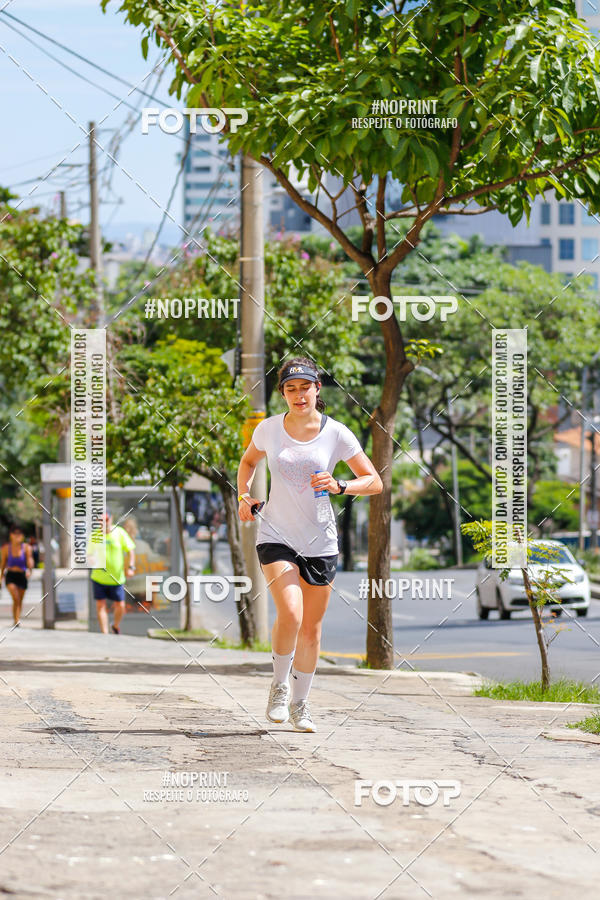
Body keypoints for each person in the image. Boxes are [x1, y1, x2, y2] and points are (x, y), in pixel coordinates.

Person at [237, 357, 383, 732]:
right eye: (290, 389)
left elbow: (374, 481)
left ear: (318, 389)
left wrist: (341, 486)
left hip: (320, 540)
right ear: (283, 393)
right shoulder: (269, 430)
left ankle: (301, 705)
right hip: (276, 534)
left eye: (305, 387)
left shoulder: (337, 434)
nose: (298, 395)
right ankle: (280, 686)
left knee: (312, 630)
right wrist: (243, 496)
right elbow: (248, 462)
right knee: (291, 613)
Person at [89, 509, 136, 635]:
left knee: (120, 605)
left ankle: (115, 626)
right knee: (100, 605)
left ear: (111, 518)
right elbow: (88, 554)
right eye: (100, 521)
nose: (103, 523)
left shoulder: (119, 533)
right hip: (99, 577)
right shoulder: (94, 535)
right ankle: (105, 634)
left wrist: (131, 567)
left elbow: (130, 550)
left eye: (106, 520)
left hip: (117, 578)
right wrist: (91, 559)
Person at [0, 524, 34, 627]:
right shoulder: (6, 548)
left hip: (22, 575)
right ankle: (16, 619)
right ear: (11, 535)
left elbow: (29, 560)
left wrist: (30, 570)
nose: (18, 536)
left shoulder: (27, 547)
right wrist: (0, 577)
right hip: (10, 575)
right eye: (16, 533)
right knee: (15, 597)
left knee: (20, 600)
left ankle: (16, 619)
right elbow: (3, 564)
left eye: (20, 534)